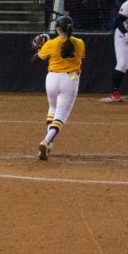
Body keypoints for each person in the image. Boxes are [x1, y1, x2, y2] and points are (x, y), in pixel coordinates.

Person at [32, 15, 85, 160]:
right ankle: (46, 141)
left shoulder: (51, 43)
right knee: (61, 116)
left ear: (57, 29)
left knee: (52, 109)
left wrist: (40, 48)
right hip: (70, 79)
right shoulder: (79, 42)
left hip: (52, 79)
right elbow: (79, 56)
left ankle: (49, 145)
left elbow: (34, 60)